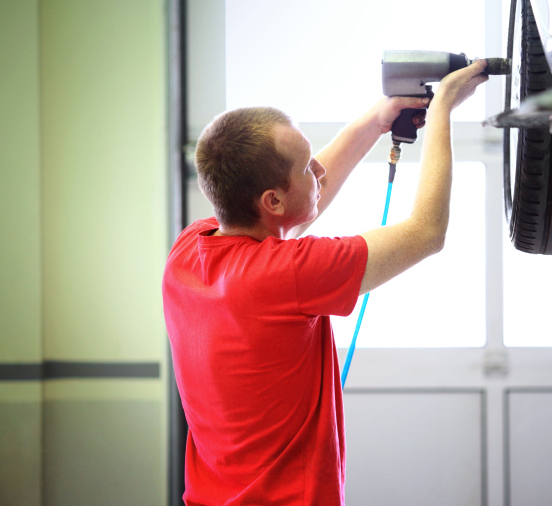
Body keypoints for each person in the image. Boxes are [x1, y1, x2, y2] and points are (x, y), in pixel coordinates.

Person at [162, 59, 488, 506]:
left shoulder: (189, 249)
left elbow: (293, 211)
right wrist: (443, 110)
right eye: (305, 167)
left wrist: (375, 122)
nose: (318, 170)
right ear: (272, 200)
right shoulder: (284, 274)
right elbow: (426, 232)